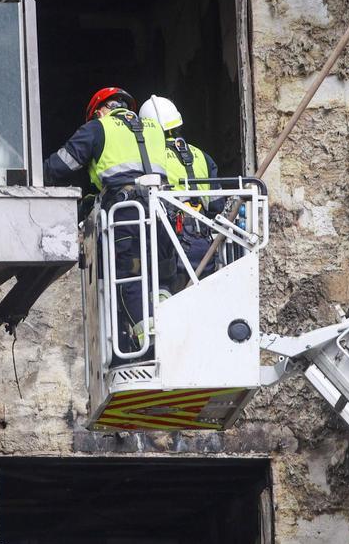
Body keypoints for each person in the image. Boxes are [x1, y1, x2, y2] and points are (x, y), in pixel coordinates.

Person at [45, 87, 173, 353]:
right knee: (158, 280)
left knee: (128, 279)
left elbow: (60, 166)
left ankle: (149, 345)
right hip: (160, 213)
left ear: (100, 110)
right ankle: (171, 331)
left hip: (125, 216)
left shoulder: (98, 128)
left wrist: (32, 178)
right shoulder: (154, 129)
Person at [138, 95, 223, 289]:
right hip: (203, 244)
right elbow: (217, 205)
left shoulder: (150, 157)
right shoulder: (202, 156)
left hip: (169, 246)